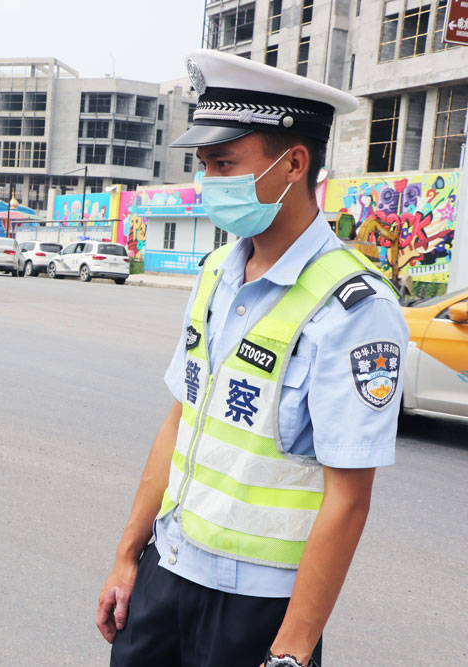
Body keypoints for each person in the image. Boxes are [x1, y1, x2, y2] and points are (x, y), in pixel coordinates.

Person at [96, 51, 408, 667]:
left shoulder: (356, 308)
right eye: (205, 167)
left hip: (257, 609)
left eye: (224, 165)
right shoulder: (217, 271)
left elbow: (350, 497)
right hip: (167, 573)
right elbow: (180, 421)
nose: (209, 184)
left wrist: (291, 651)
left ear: (294, 164)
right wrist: (128, 556)